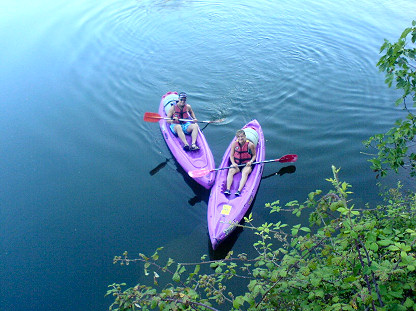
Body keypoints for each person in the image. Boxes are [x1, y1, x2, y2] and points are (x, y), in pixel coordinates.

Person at [224, 129, 256, 196]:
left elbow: (254, 155)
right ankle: (228, 189)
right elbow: (231, 155)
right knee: (231, 171)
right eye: (239, 137)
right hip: (236, 164)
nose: (240, 138)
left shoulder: (250, 145)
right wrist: (233, 163)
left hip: (246, 165)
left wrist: (251, 161)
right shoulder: (234, 144)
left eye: (242, 136)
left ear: (245, 136)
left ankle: (239, 190)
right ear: (237, 138)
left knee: (245, 173)